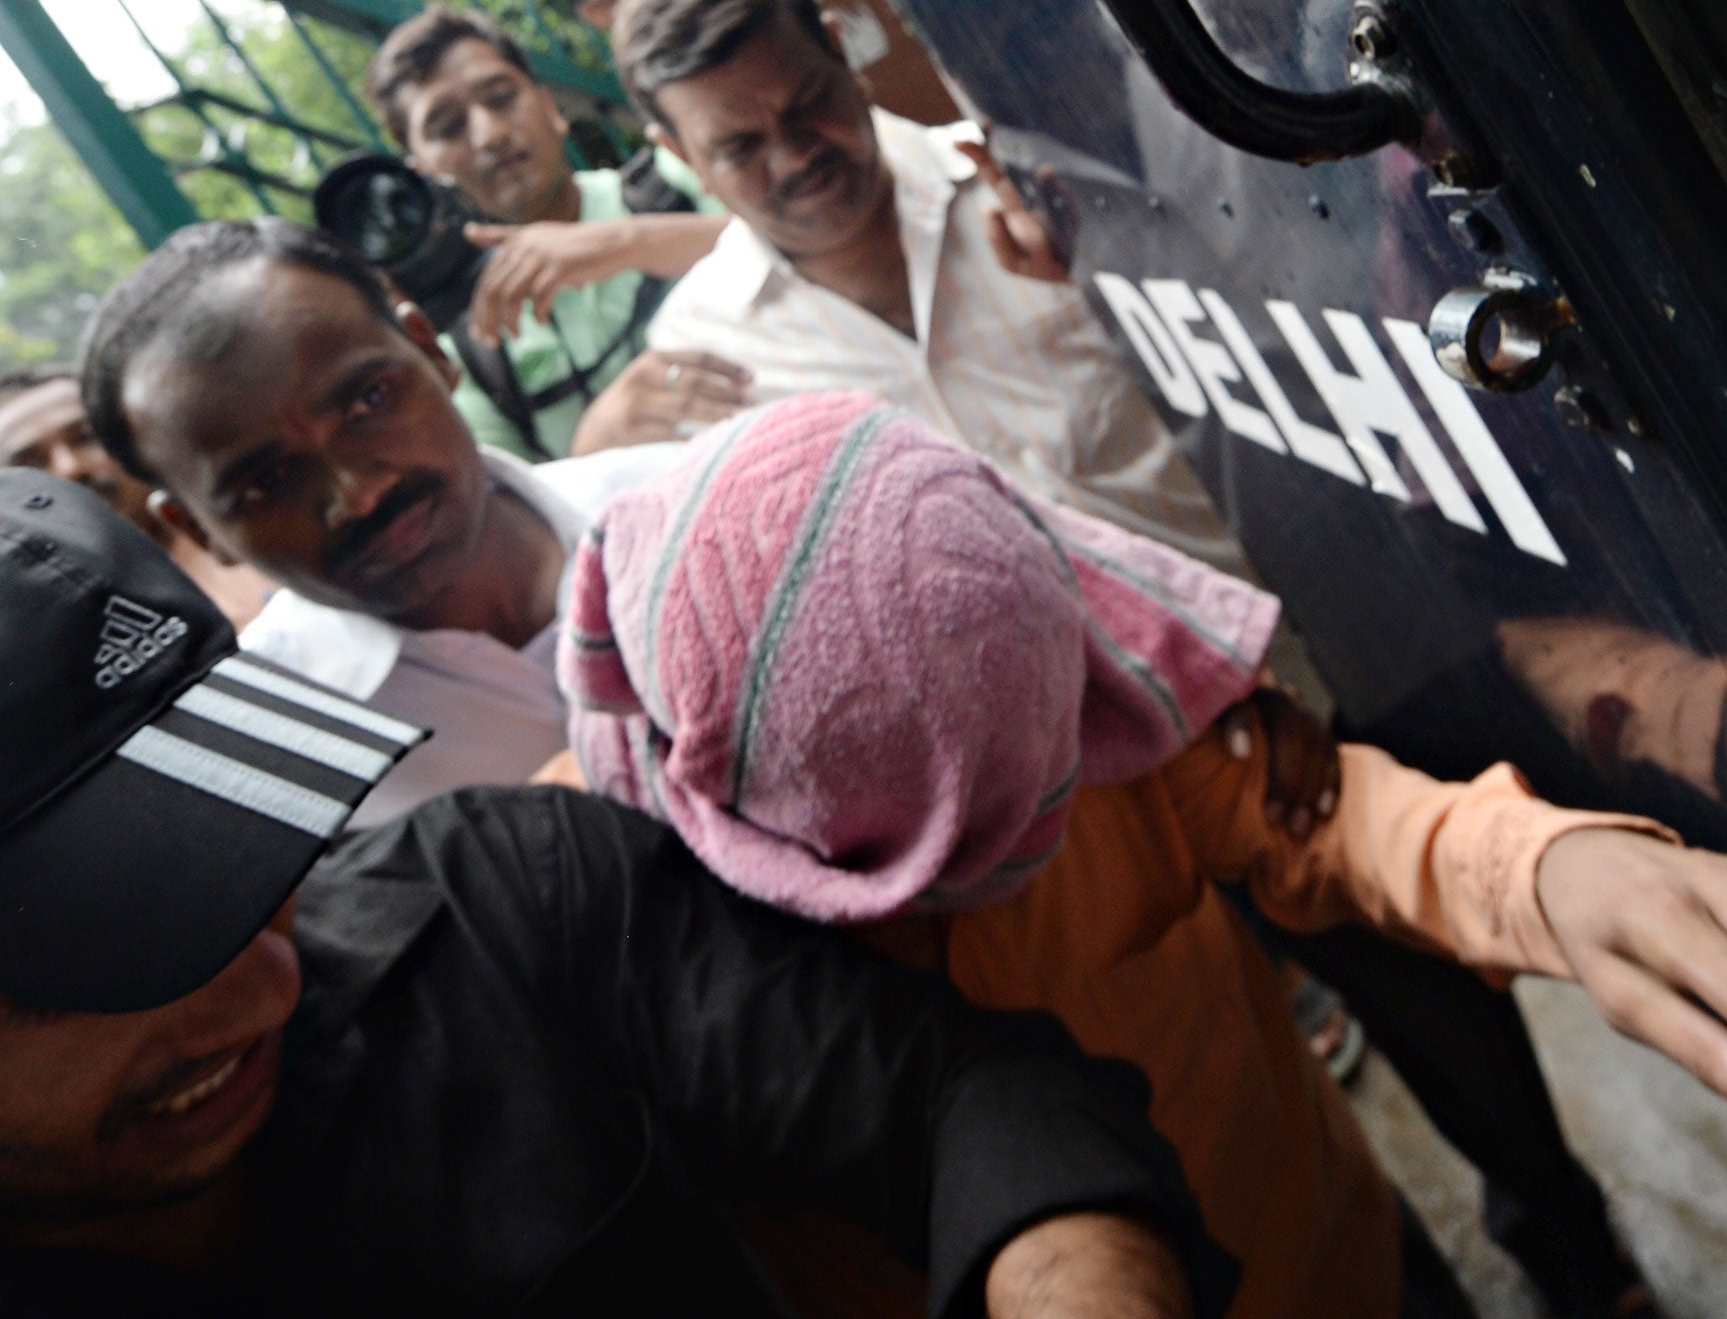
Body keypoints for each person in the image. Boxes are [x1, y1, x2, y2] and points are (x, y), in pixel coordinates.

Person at [560, 392, 1727, 1319]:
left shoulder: (1099, 705)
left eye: (1061, 759)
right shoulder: (589, 930)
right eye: (975, 840)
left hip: (1338, 1248)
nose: (1059, 824)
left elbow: (1325, 819)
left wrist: (1564, 870)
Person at [0, 466, 1234, 1319]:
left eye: (241, 858)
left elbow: (953, 1093)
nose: (262, 984)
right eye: (105, 957)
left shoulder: (501, 895)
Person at [618, 0, 1249, 576]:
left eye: (807, 103)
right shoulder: (703, 354)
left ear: (838, 49)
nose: (794, 156)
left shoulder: (1036, 190)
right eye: (739, 147)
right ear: (679, 153)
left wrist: (1106, 267)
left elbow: (1252, 373)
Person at [78, 219, 688, 825]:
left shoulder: (684, 498)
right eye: (268, 482)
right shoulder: (269, 769)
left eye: (370, 401)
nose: (360, 494)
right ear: (196, 529)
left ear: (430, 350)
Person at [367, 3, 749, 459]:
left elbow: (805, 244)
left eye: (501, 97)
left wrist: (627, 242)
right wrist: (595, 441)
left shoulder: (679, 177)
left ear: (550, 107)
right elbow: (506, 494)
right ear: (423, 174)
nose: (489, 134)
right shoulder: (469, 360)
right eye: (449, 127)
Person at [0, 362, 271, 629]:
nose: (70, 467)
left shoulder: (262, 526)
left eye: (84, 437)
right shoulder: (45, 635)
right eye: (31, 462)